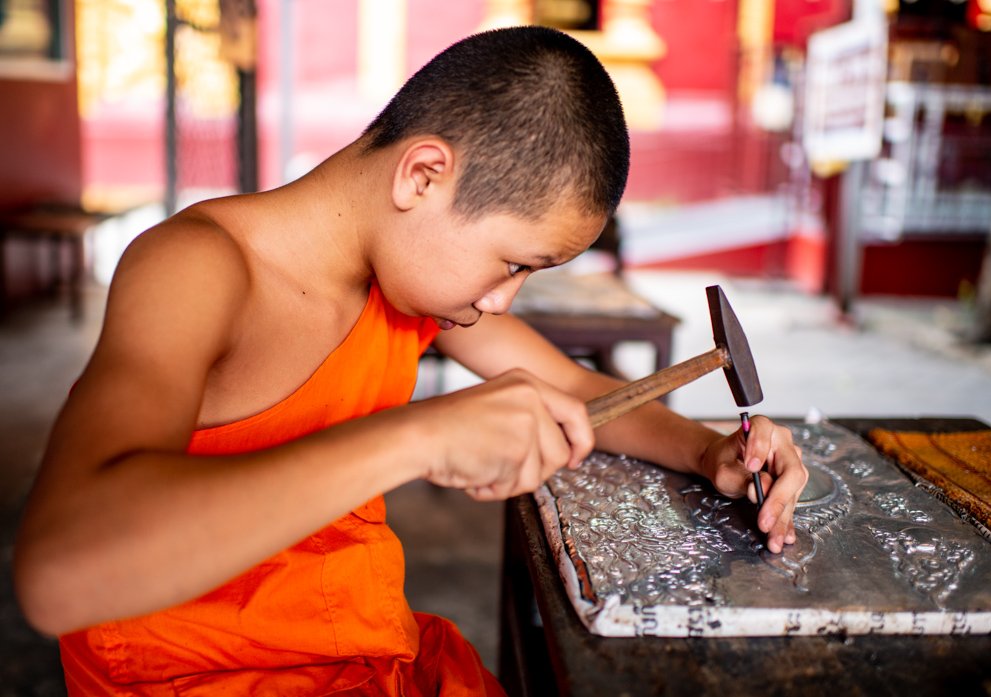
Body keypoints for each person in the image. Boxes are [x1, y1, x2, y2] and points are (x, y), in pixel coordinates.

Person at [14, 26, 807, 696]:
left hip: (357, 650)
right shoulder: (195, 269)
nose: (504, 300)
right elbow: (61, 572)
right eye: (513, 262)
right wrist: (417, 437)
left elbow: (569, 386)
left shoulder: (408, 289)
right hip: (192, 671)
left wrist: (709, 452)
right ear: (423, 175)